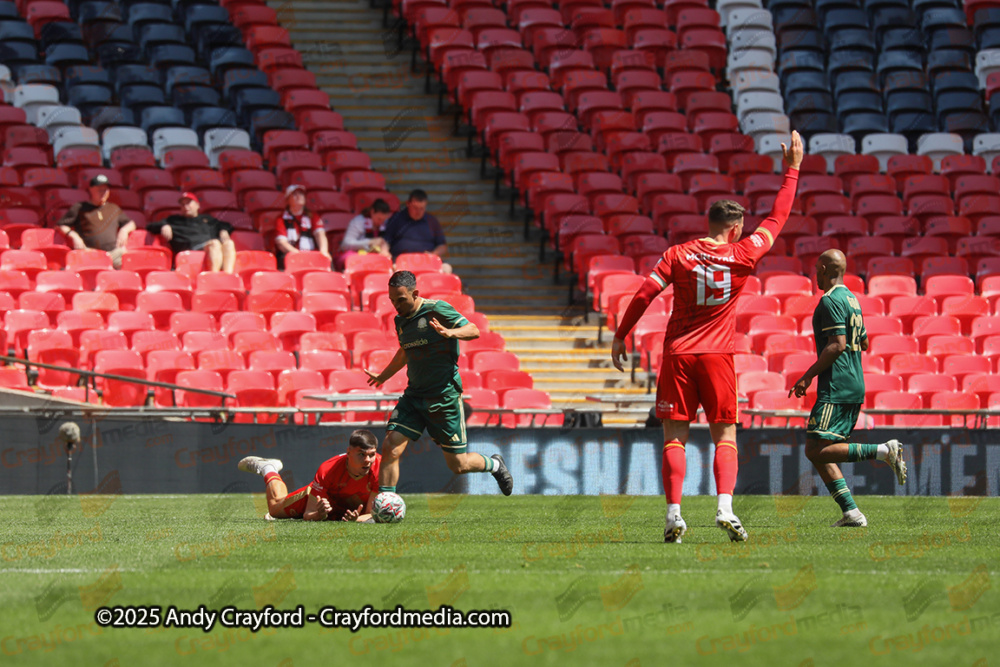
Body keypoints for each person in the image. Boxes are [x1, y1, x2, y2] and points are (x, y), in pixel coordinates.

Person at [611, 131, 806, 544]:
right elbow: (777, 219)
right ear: (734, 227)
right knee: (725, 435)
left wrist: (620, 335)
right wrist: (793, 169)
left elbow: (645, 294)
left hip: (679, 355)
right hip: (718, 356)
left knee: (674, 437)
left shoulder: (676, 254)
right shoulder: (744, 253)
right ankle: (724, 508)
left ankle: (673, 515)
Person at [365, 270, 512, 498]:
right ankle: (384, 504)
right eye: (392, 300)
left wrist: (450, 332)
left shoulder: (436, 309)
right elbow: (405, 350)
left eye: (401, 299)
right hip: (414, 396)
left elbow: (473, 330)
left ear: (415, 293)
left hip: (443, 396)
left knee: (458, 465)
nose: (396, 305)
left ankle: (494, 464)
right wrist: (384, 376)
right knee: (391, 446)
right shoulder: (400, 320)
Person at [789, 249, 907, 527]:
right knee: (822, 447)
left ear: (828, 269)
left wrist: (807, 377)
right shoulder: (852, 299)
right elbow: (863, 343)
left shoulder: (830, 301)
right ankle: (851, 512)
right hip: (855, 381)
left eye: (818, 268)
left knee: (815, 450)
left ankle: (883, 452)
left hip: (837, 384)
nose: (815, 274)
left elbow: (837, 344)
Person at [237, 429, 381, 522]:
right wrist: (320, 514)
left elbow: (371, 514)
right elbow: (309, 514)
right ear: (348, 452)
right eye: (361, 454)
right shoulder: (328, 469)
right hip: (324, 499)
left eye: (372, 455)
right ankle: (268, 469)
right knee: (274, 510)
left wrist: (356, 520)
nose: (368, 460)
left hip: (344, 510)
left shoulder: (381, 467)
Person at [56, 174, 136, 269]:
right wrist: (74, 236)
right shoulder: (80, 207)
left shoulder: (113, 208)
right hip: (89, 254)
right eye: (99, 189)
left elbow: (131, 223)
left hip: (113, 254)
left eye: (105, 189)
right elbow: (61, 225)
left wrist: (124, 230)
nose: (103, 192)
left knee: (131, 265)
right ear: (91, 190)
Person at [146, 192, 236, 273]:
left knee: (229, 243)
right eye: (182, 204)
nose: (186, 207)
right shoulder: (174, 220)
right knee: (215, 243)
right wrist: (164, 225)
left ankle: (228, 275)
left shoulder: (207, 219)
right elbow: (150, 226)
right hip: (190, 249)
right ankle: (214, 276)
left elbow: (226, 225)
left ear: (197, 205)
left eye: (188, 203)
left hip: (208, 247)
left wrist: (224, 230)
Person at [379, 189, 451, 272]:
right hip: (400, 264)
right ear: (408, 204)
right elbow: (386, 241)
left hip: (426, 263)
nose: (418, 212)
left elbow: (442, 246)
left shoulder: (432, 221)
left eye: (422, 208)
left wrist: (433, 254)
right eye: (415, 208)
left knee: (446, 268)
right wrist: (385, 251)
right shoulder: (396, 219)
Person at [273, 184, 329, 269]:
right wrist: (298, 255)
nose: (299, 196)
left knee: (327, 260)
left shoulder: (312, 216)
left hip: (311, 253)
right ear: (288, 200)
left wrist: (324, 251)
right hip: (291, 254)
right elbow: (282, 243)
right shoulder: (281, 219)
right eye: (295, 194)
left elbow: (320, 234)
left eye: (301, 194)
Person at [337, 198, 392, 270]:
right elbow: (346, 244)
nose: (381, 222)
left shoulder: (385, 223)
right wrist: (369, 242)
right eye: (379, 219)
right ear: (372, 212)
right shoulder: (358, 221)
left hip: (374, 256)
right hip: (355, 254)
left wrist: (385, 249)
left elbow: (384, 241)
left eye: (383, 220)